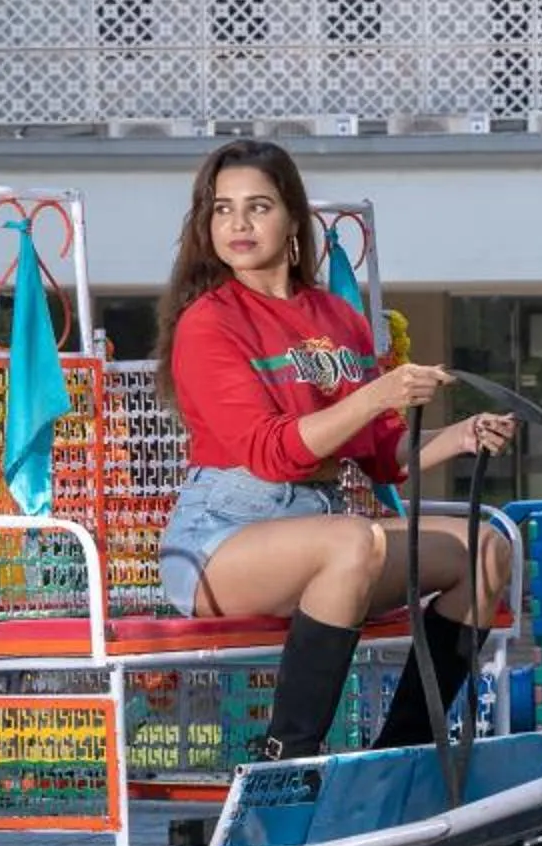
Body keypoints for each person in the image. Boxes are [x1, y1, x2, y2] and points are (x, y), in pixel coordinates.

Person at [153, 138, 517, 760]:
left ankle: (405, 752)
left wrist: (460, 436)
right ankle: (288, 759)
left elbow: (380, 455)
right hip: (221, 538)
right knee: (352, 539)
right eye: (221, 209)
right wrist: (378, 394)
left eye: (258, 206)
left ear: (294, 218)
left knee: (485, 547)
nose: (238, 224)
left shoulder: (338, 319)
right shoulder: (208, 322)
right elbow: (272, 455)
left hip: (321, 532)